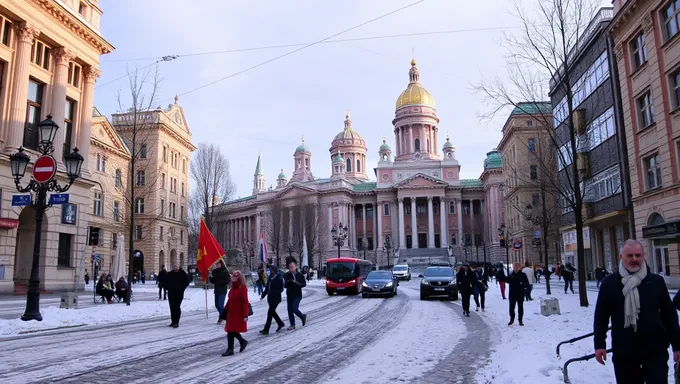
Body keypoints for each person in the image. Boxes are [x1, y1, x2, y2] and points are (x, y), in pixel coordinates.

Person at [594, 239, 680, 383]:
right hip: (624, 351)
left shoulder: (656, 282)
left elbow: (669, 315)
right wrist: (599, 344)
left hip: (655, 349)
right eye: (630, 255)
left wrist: (677, 345)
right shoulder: (609, 284)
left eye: (638, 255)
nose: (635, 259)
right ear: (621, 257)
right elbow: (601, 316)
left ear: (643, 256)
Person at [221, 270, 249, 356]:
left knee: (231, 330)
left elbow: (245, 302)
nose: (232, 277)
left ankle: (231, 349)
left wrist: (245, 314)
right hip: (231, 313)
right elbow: (230, 301)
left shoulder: (243, 288)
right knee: (230, 330)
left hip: (238, 313)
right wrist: (224, 311)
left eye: (235, 276)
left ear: (239, 277)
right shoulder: (233, 288)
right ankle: (241, 342)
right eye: (232, 275)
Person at [259, 265, 286, 335]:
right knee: (272, 312)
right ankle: (280, 323)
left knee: (270, 313)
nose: (271, 271)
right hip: (270, 298)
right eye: (270, 270)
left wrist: (274, 291)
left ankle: (266, 329)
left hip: (276, 298)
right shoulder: (270, 278)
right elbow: (267, 287)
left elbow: (281, 289)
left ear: (275, 271)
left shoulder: (279, 278)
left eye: (272, 270)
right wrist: (263, 295)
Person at [284, 258, 307, 330]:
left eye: (292, 266)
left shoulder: (300, 275)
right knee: (289, 310)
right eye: (290, 267)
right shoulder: (287, 275)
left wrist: (296, 283)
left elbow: (303, 284)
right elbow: (284, 285)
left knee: (294, 308)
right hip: (290, 294)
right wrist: (288, 282)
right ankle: (292, 324)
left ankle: (302, 316)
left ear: (296, 266)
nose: (291, 268)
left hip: (297, 294)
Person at [165, 264, 191, 328]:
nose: (175, 268)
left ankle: (176, 322)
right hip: (171, 293)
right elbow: (166, 282)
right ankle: (173, 321)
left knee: (177, 307)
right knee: (172, 307)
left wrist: (182, 289)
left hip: (179, 293)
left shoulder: (182, 273)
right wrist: (167, 288)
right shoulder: (170, 273)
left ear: (179, 267)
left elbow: (187, 282)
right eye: (174, 266)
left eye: (176, 266)